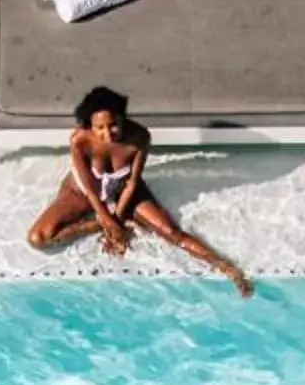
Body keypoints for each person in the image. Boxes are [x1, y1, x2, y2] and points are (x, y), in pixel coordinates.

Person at [27, 87, 252, 298]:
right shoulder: (79, 140)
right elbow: (91, 191)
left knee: (173, 233)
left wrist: (118, 217)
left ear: (123, 118)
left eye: (113, 124)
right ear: (90, 126)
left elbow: (132, 183)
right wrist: (106, 223)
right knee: (38, 239)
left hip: (123, 189)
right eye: (100, 128)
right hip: (83, 191)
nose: (108, 133)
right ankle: (93, 226)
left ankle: (226, 268)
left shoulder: (140, 137)